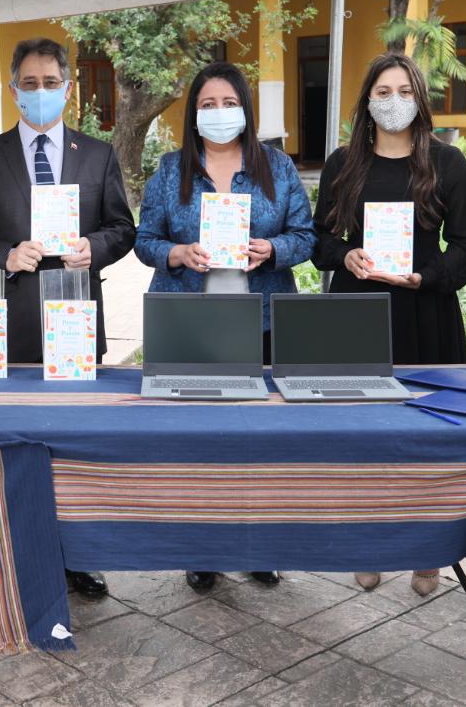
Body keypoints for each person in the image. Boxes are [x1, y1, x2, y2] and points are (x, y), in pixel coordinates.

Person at [0, 37, 136, 598]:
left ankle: (77, 556)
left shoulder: (97, 154)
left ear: (67, 89)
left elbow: (122, 228)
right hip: (9, 329)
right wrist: (3, 254)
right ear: (13, 90)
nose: (40, 92)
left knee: (75, 447)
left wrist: (93, 247)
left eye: (50, 83)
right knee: (17, 444)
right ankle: (16, 553)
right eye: (29, 84)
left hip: (76, 321)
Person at [134, 61, 317, 593]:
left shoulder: (277, 167)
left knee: (262, 439)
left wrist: (273, 249)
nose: (219, 113)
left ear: (245, 109)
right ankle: (202, 548)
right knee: (196, 442)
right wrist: (175, 253)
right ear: (193, 114)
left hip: (263, 321)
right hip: (190, 324)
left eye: (229, 103)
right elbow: (145, 239)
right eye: (207, 105)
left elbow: (307, 236)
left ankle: (260, 546)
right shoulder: (172, 169)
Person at [312, 53, 466, 597]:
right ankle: (368, 543)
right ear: (367, 101)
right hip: (356, 315)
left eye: (405, 91)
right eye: (383, 92)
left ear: (420, 99)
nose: (394, 102)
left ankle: (427, 550)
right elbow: (320, 240)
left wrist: (426, 276)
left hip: (425, 313)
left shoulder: (447, 162)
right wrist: (345, 255)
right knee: (360, 437)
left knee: (428, 436)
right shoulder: (343, 163)